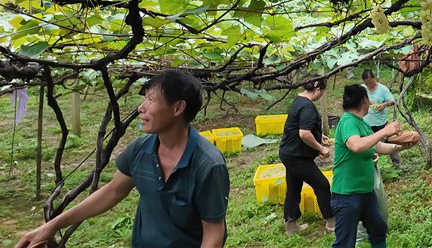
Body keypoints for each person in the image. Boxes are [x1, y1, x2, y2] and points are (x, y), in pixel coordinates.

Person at [16, 69, 230, 248]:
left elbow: (213, 234)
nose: (141, 108)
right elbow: (113, 191)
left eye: (152, 100)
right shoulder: (141, 149)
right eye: (144, 98)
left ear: (178, 108)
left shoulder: (208, 165)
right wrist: (50, 227)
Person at [331, 84, 415, 248]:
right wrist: (385, 131)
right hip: (347, 194)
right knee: (344, 243)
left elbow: (378, 147)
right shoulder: (348, 121)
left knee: (378, 228)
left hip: (365, 192)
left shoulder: (362, 124)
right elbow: (355, 145)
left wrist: (403, 146)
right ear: (364, 100)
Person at [278, 76, 335, 235]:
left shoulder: (298, 100)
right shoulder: (308, 106)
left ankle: (291, 226)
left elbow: (299, 127)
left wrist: (318, 136)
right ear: (318, 90)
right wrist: (320, 148)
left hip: (288, 153)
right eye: (322, 92)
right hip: (297, 157)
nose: (321, 95)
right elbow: (303, 133)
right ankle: (332, 222)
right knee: (322, 185)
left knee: (294, 188)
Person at [361, 69, 401, 168]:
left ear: (375, 78)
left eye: (371, 82)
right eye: (367, 84)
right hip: (367, 122)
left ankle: (397, 163)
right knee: (369, 144)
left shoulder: (383, 89)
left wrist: (384, 104)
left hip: (381, 122)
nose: (369, 85)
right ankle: (372, 165)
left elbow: (392, 101)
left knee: (390, 141)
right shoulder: (362, 89)